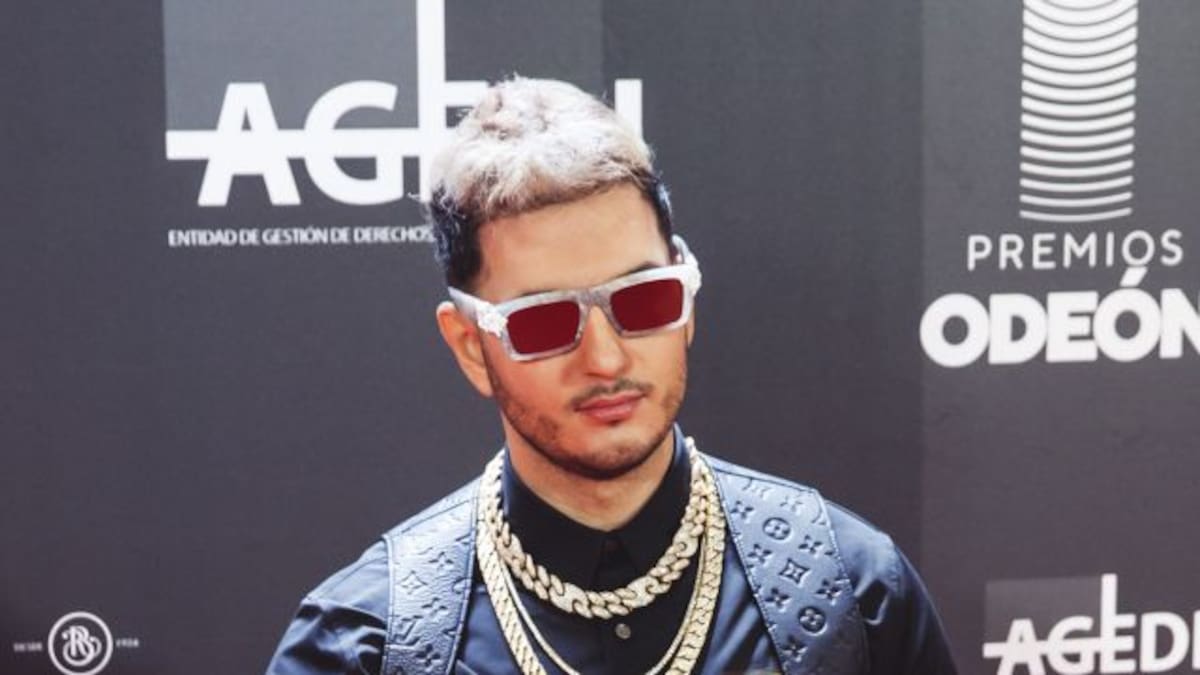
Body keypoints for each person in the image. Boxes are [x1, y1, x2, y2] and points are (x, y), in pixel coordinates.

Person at [266, 77, 955, 675]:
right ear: (471, 346)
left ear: (687, 298)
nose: (607, 358)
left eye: (643, 300)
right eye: (543, 322)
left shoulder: (854, 595)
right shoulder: (366, 644)